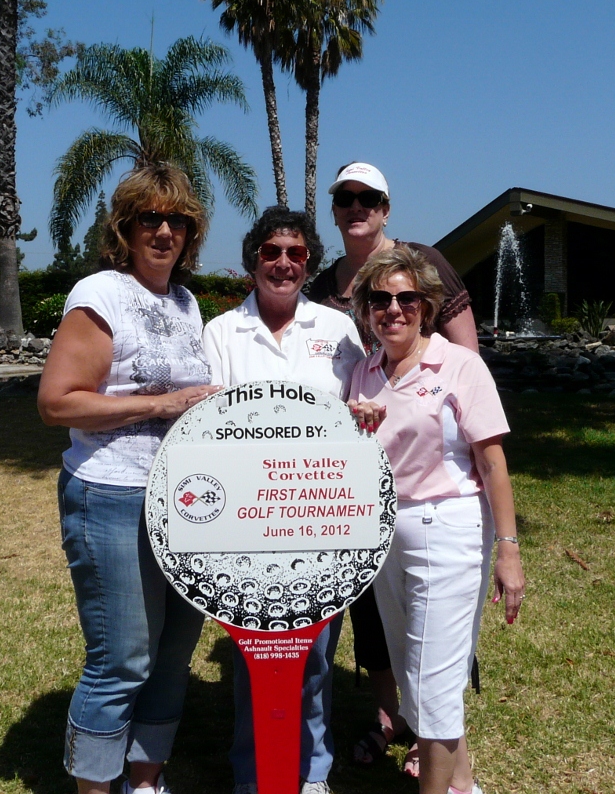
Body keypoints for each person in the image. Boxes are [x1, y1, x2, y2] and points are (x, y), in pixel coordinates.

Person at [38, 163, 221, 794]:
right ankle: (95, 784)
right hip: (113, 493)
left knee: (172, 655)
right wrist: (161, 404)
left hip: (183, 498)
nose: (165, 231)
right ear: (125, 226)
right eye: (151, 217)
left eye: (178, 220)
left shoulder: (186, 303)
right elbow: (57, 402)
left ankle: (144, 779)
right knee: (122, 658)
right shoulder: (100, 294)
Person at [304, 161, 479, 770]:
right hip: (366, 476)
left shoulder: (422, 260)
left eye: (368, 197)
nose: (357, 207)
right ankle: (390, 714)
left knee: (436, 615)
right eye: (345, 198)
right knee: (374, 610)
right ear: (335, 210)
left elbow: (465, 353)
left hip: (436, 474)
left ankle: (438, 739)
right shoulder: (324, 285)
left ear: (385, 207)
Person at [346, 245, 524, 794]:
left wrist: (509, 549)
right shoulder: (362, 374)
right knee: (413, 671)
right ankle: (462, 784)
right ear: (367, 309)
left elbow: (491, 461)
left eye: (406, 299)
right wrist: (355, 427)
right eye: (380, 299)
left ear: (425, 306)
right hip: (384, 536)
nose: (393, 309)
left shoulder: (459, 365)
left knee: (435, 682)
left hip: (448, 529)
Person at [202, 206, 365, 794]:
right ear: (253, 260)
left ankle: (312, 769)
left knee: (316, 653)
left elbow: (359, 410)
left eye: (296, 253)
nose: (283, 263)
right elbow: (206, 428)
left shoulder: (337, 329)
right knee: (254, 655)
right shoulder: (221, 333)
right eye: (271, 251)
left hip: (321, 516)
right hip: (246, 522)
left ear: (308, 263)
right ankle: (253, 772)